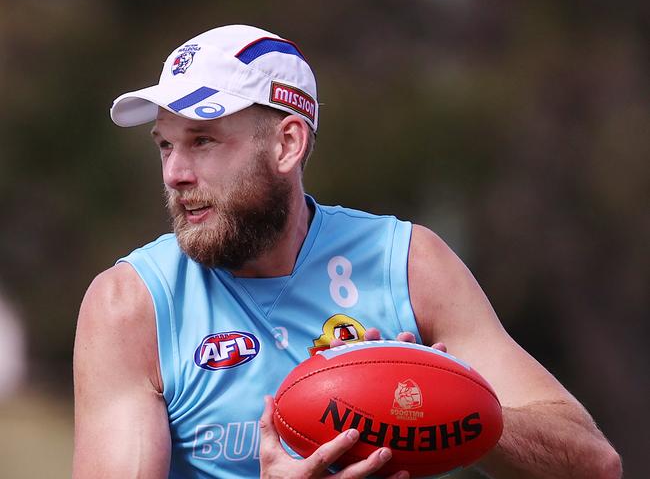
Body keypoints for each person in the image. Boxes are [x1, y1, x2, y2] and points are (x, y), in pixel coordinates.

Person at [73, 24, 621, 479]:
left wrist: (447, 407)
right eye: (166, 145)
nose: (175, 173)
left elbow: (593, 464)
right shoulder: (132, 305)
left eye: (203, 141)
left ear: (288, 144)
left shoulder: (407, 265)